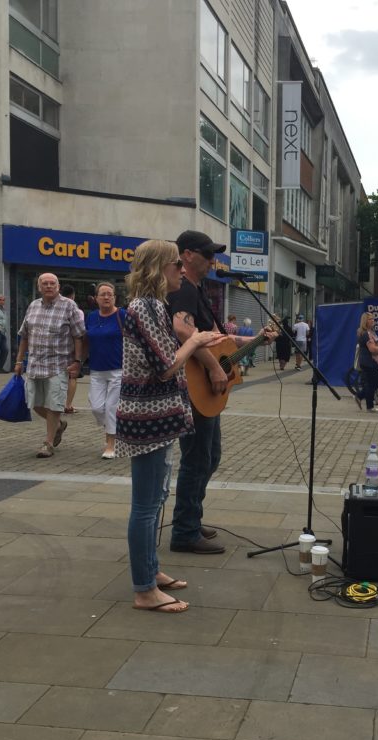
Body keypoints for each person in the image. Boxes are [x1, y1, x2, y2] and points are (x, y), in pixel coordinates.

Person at [115, 239, 224, 613]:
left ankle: (151, 571)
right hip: (147, 418)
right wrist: (194, 340)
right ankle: (144, 590)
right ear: (158, 268)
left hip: (158, 417)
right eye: (175, 264)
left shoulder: (155, 306)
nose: (182, 268)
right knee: (145, 506)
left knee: (155, 499)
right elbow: (165, 366)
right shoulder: (143, 308)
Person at [170, 230, 274, 554]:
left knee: (209, 456)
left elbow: (218, 341)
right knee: (197, 458)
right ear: (187, 255)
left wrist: (255, 340)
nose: (213, 260)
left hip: (205, 389)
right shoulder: (184, 289)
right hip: (194, 386)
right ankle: (184, 532)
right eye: (207, 253)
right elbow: (182, 329)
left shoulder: (199, 291)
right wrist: (214, 368)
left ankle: (191, 517)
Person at [13, 273, 86, 458]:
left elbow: (79, 336)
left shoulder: (69, 306)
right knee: (35, 403)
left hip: (58, 364)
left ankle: (48, 443)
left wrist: (77, 362)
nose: (48, 286)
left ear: (58, 286)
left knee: (54, 405)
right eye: (44, 283)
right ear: (39, 287)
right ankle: (59, 425)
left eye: (52, 283)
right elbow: (25, 336)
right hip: (35, 364)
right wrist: (19, 361)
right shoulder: (33, 306)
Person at [84, 282, 125, 460]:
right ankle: (112, 427)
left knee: (110, 408)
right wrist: (78, 361)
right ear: (96, 298)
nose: (106, 297)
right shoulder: (91, 317)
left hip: (118, 369)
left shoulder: (122, 315)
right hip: (96, 369)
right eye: (103, 294)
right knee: (96, 407)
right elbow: (85, 340)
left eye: (110, 294)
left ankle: (110, 444)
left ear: (115, 297)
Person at [61, 285, 85, 414]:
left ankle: (57, 403)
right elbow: (80, 332)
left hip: (60, 348)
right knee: (72, 377)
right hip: (72, 348)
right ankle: (68, 405)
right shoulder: (77, 311)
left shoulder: (57, 307)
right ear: (73, 295)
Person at [354, 312, 378, 412]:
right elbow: (372, 349)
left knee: (371, 384)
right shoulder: (365, 334)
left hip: (370, 362)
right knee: (375, 383)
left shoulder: (370, 332)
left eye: (373, 318)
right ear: (365, 321)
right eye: (370, 319)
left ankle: (365, 402)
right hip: (369, 362)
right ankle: (365, 402)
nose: (373, 320)